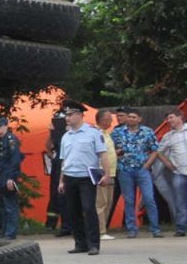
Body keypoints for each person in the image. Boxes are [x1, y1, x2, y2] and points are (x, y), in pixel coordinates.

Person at [56, 104, 108, 254]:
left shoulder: (93, 133)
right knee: (72, 211)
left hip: (86, 177)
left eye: (70, 114)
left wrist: (106, 174)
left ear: (80, 115)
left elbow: (103, 154)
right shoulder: (66, 136)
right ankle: (80, 243)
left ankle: (93, 244)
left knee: (88, 208)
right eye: (66, 115)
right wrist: (61, 180)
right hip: (70, 176)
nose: (67, 118)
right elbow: (64, 161)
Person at [112, 109, 162, 237]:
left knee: (149, 198)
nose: (130, 119)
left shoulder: (147, 132)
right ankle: (132, 229)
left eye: (133, 117)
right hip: (124, 169)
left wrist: (147, 165)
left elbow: (155, 150)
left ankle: (155, 228)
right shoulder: (118, 132)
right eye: (129, 117)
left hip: (142, 169)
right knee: (129, 200)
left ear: (140, 119)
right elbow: (110, 149)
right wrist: (116, 155)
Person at [145, 112, 187, 237]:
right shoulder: (168, 136)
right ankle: (181, 228)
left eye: (171, 117)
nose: (169, 120)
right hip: (179, 172)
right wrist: (168, 164)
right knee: (179, 201)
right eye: (167, 118)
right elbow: (159, 151)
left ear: (180, 117)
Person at [0, 122, 23, 239]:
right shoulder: (1, 140)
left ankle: (10, 233)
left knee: (10, 206)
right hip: (0, 177)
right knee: (2, 206)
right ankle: (5, 232)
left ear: (5, 126)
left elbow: (15, 160)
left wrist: (11, 178)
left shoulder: (11, 139)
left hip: (8, 177)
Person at [93, 109, 120, 239]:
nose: (111, 121)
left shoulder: (107, 134)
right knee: (101, 202)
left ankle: (104, 228)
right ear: (102, 120)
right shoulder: (96, 134)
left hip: (111, 172)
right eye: (109, 118)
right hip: (101, 172)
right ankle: (100, 231)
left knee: (108, 201)